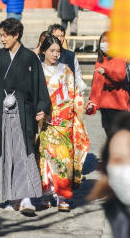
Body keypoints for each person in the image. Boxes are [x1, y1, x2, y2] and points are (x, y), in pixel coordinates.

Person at [0, 18, 50, 214]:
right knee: (5, 155)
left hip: (23, 114)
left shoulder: (30, 59)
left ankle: (25, 198)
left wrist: (42, 106)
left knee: (23, 154)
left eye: (5, 35)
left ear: (16, 35)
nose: (2, 39)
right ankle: (10, 197)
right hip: (1, 114)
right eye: (1, 35)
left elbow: (39, 86)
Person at [38, 35, 90, 211]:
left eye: (58, 51)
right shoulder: (37, 70)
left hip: (62, 121)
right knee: (44, 160)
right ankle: (45, 194)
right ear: (43, 50)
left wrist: (73, 110)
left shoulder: (66, 70)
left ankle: (62, 197)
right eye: (52, 50)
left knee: (63, 159)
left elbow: (74, 95)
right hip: (43, 122)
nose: (55, 54)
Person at [86, 32, 130, 135]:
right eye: (102, 41)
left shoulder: (120, 58)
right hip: (105, 106)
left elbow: (120, 77)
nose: (104, 44)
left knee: (119, 137)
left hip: (119, 106)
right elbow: (96, 86)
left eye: (107, 42)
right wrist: (92, 103)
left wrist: (107, 72)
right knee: (110, 136)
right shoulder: (100, 61)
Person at [47, 24, 87, 92]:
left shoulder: (71, 56)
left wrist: (80, 94)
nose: (59, 39)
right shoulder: (42, 56)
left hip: (67, 97)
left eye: (62, 36)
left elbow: (78, 76)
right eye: (57, 36)